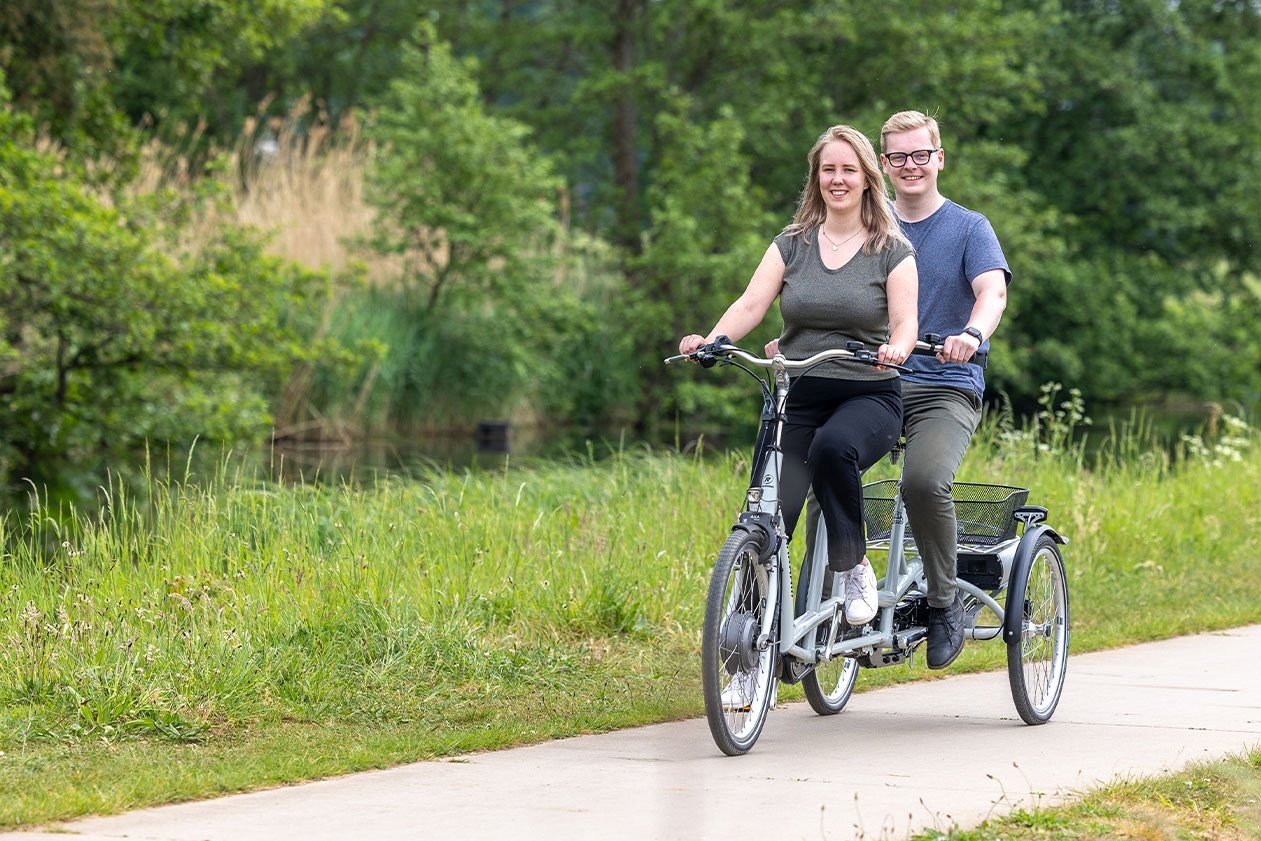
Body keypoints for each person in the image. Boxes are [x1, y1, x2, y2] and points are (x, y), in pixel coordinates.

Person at [678, 124, 918, 626]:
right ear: (816, 178)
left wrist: (896, 348)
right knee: (772, 509)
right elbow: (751, 303)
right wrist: (713, 340)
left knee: (834, 448)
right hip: (799, 393)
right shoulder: (792, 244)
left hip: (869, 393)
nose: (838, 179)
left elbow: (905, 323)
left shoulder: (892, 250)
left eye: (848, 170)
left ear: (867, 179)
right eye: (828, 169)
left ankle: (853, 567)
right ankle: (746, 642)